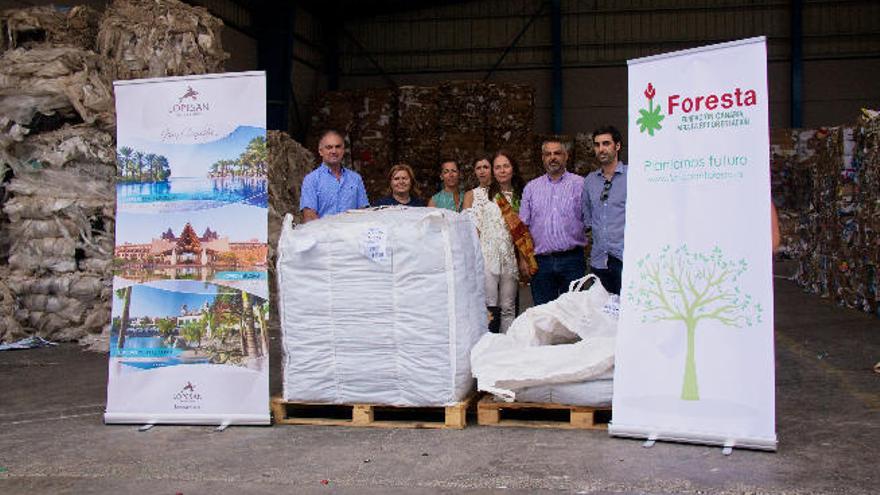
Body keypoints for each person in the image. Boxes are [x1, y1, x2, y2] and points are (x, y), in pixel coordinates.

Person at [466, 151, 537, 333]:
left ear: (513, 169)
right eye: (497, 167)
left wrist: (522, 259)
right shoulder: (483, 195)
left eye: (506, 166)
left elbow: (523, 231)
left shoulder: (521, 196)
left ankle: (507, 348)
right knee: (489, 306)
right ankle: (487, 346)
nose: (502, 170)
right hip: (487, 257)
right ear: (493, 171)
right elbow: (474, 228)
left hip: (509, 259)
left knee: (508, 306)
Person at [520, 139, 586, 306]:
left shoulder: (581, 184)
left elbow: (591, 220)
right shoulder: (531, 188)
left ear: (566, 156)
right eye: (548, 154)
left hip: (572, 260)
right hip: (541, 262)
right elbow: (522, 228)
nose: (552, 157)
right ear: (543, 158)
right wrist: (523, 259)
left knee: (572, 314)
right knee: (544, 316)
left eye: (557, 153)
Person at [581, 125, 627, 295]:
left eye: (606, 143)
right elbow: (588, 219)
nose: (601, 149)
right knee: (601, 314)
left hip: (625, 259)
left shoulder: (633, 177)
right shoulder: (590, 182)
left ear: (617, 146)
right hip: (600, 261)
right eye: (597, 145)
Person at [300, 129, 369, 222]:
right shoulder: (311, 180)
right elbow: (310, 217)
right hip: (323, 234)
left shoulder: (355, 179)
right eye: (329, 147)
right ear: (320, 151)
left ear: (343, 150)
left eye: (338, 147)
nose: (334, 151)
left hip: (352, 234)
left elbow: (363, 212)